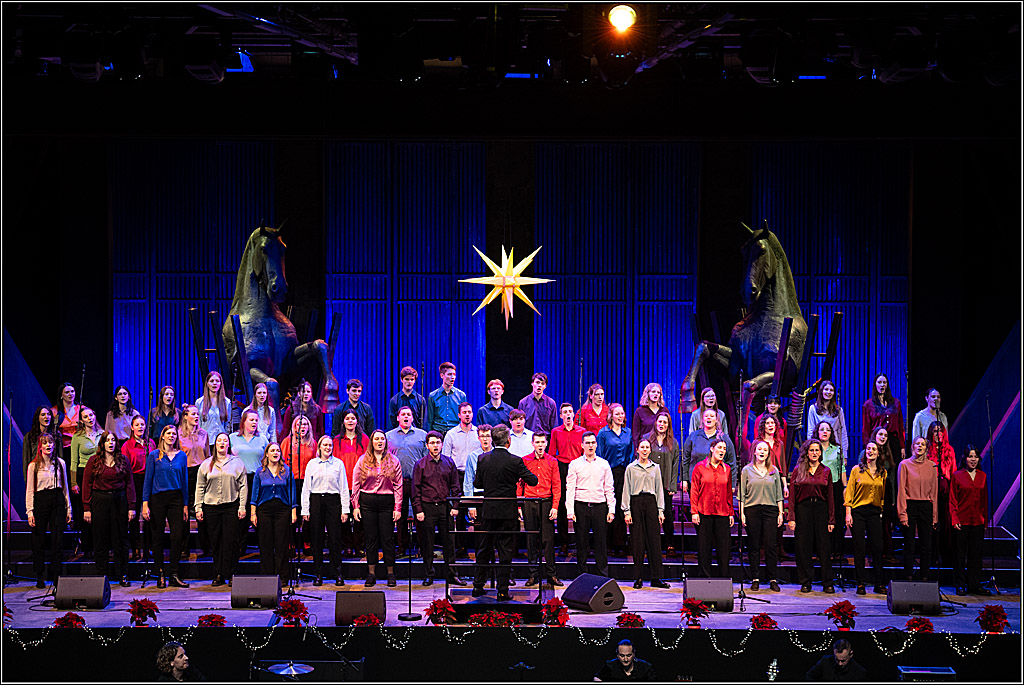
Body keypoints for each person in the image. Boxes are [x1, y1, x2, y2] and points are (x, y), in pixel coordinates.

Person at [472, 424, 538, 601]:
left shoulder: (483, 459)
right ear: (508, 441)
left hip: (488, 512)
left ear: (493, 441)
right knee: (505, 552)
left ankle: (477, 587)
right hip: (508, 514)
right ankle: (502, 591)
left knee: (484, 549)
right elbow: (533, 480)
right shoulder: (515, 461)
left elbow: (477, 484)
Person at [412, 430, 465, 586]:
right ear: (427, 445)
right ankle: (429, 574)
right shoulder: (420, 464)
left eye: (438, 443)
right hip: (427, 508)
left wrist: (455, 505)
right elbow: (416, 489)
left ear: (442, 444)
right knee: (427, 543)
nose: (435, 446)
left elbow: (455, 486)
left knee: (449, 542)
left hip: (444, 507)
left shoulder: (449, 463)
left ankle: (452, 574)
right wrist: (418, 510)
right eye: (432, 443)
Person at [194, 432, 247, 587]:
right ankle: (218, 573)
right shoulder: (206, 464)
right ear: (215, 444)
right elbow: (200, 486)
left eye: (225, 440)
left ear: (228, 444)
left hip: (231, 506)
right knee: (216, 541)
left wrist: (242, 506)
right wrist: (198, 507)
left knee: (231, 541)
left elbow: (243, 486)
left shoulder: (237, 463)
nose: (222, 443)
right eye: (219, 441)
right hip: (211, 507)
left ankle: (231, 573)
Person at [83, 431, 135, 586]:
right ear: (102, 444)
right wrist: (87, 507)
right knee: (101, 540)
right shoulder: (94, 461)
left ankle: (123, 574)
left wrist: (131, 506)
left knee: (120, 539)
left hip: (119, 501)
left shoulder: (123, 460)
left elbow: (130, 484)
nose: (111, 443)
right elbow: (87, 484)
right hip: (100, 501)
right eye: (108, 440)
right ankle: (101, 575)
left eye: (113, 440)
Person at [352, 429, 403, 587]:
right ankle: (371, 573)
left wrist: (398, 507)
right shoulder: (363, 460)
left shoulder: (394, 460)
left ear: (386, 442)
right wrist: (355, 506)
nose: (380, 441)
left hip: (386, 502)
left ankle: (390, 573)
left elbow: (398, 486)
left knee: (387, 538)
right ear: (372, 442)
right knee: (371, 538)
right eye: (376, 439)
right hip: (368, 501)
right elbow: (355, 485)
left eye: (382, 439)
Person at [142, 424, 190, 588]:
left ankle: (174, 574)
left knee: (177, 536)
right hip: (158, 498)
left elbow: (184, 481)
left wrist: (185, 504)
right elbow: (148, 480)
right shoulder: (154, 455)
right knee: (157, 537)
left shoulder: (182, 456)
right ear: (162, 436)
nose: (171, 436)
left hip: (176, 498)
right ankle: (160, 572)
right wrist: (145, 503)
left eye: (174, 434)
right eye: (168, 433)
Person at [301, 436, 350, 586]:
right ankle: (318, 574)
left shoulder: (338, 464)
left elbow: (343, 487)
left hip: (333, 501)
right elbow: (306, 488)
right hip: (316, 501)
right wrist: (305, 509)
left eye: (330, 445)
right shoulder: (312, 464)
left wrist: (345, 509)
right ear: (319, 447)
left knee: (335, 538)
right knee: (317, 539)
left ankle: (338, 574)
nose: (328, 447)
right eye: (325, 445)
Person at [789, 439, 835, 593]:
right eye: (811, 450)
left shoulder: (826, 471)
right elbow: (792, 496)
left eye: (817, 450)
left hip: (821, 509)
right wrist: (792, 517)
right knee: (803, 546)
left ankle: (827, 582)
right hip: (803, 509)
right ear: (806, 453)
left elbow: (830, 498)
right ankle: (806, 581)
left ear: (820, 453)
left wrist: (831, 518)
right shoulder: (798, 470)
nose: (814, 453)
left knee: (824, 546)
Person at [566, 431, 615, 578]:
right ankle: (582, 576)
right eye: (587, 443)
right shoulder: (575, 464)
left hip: (600, 506)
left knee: (601, 543)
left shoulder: (604, 464)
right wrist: (570, 509)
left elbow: (609, 488)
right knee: (581, 543)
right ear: (582, 445)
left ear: (596, 444)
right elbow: (570, 488)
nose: (590, 445)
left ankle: (602, 576)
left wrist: (611, 509)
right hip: (581, 506)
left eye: (593, 442)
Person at [25, 434, 72, 588]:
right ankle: (39, 574)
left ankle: (56, 575)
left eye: (50, 443)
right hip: (41, 500)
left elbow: (65, 487)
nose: (48, 446)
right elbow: (30, 490)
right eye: (44, 443)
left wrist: (68, 508)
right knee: (38, 539)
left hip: (57, 499)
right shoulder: (33, 466)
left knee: (57, 540)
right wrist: (30, 512)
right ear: (40, 446)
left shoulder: (60, 463)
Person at [622, 439, 669, 588]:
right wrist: (627, 511)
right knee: (637, 541)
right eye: (642, 447)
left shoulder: (655, 468)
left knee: (654, 541)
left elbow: (659, 489)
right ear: (637, 449)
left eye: (647, 447)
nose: (644, 449)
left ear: (650, 450)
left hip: (650, 503)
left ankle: (656, 578)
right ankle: (638, 578)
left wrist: (660, 510)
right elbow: (626, 489)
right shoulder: (631, 468)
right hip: (636, 502)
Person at [738, 439, 784, 592]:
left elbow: (779, 494)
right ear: (755, 452)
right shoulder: (746, 470)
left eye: (765, 449)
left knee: (771, 546)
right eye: (760, 449)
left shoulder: (774, 470)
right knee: (754, 546)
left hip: (770, 510)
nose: (762, 452)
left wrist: (780, 513)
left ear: (768, 453)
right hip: (752, 509)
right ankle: (755, 578)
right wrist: (742, 513)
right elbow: (741, 495)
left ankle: (772, 579)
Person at [519, 432, 562, 588]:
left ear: (546, 443)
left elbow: (557, 485)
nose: (540, 445)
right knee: (531, 540)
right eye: (537, 442)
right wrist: (519, 504)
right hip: (529, 502)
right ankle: (532, 575)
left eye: (542, 442)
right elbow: (520, 484)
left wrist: (555, 506)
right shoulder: (525, 460)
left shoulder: (552, 461)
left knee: (548, 540)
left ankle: (551, 575)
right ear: (532, 443)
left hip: (546, 502)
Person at [844, 441, 887, 595]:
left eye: (873, 449)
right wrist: (848, 513)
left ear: (878, 453)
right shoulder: (857, 470)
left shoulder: (883, 472)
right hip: (858, 512)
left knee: (877, 548)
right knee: (859, 548)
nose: (870, 451)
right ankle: (860, 583)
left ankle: (878, 583)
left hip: (874, 512)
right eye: (868, 448)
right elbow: (849, 492)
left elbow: (882, 495)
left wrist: (880, 510)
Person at [251, 443, 297, 585]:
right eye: (272, 450)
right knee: (266, 544)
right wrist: (253, 513)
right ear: (267, 454)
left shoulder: (287, 471)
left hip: (282, 509)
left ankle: (283, 577)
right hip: (264, 510)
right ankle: (267, 577)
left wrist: (293, 511)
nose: (275, 452)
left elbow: (292, 492)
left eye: (277, 450)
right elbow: (255, 493)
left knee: (281, 544)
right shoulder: (260, 472)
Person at [691, 437, 734, 578]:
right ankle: (705, 579)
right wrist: (694, 511)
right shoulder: (700, 467)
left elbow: (728, 492)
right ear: (712, 448)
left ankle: (724, 580)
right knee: (704, 549)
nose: (722, 451)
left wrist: (731, 513)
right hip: (704, 512)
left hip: (722, 513)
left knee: (723, 549)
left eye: (724, 449)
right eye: (719, 448)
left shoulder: (727, 469)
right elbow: (695, 490)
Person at [950, 445, 990, 596]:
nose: (973, 460)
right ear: (965, 458)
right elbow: (952, 500)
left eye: (975, 457)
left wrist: (985, 521)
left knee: (976, 555)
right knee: (960, 555)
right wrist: (955, 519)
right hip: (962, 521)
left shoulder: (982, 476)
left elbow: (984, 500)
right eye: (970, 456)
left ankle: (974, 585)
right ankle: (960, 584)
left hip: (977, 521)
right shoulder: (957, 475)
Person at [386, 406, 426, 556]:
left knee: (420, 515)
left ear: (412, 418)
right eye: (403, 414)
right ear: (398, 418)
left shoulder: (422, 435)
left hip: (417, 482)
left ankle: (422, 548)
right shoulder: (389, 436)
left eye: (409, 414)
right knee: (400, 517)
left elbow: (425, 459)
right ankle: (402, 548)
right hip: (397, 482)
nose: (406, 417)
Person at [897, 436, 938, 582]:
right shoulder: (904, 465)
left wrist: (934, 516)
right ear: (912, 447)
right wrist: (902, 513)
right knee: (909, 544)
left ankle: (925, 577)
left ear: (927, 448)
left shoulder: (932, 466)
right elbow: (901, 490)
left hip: (926, 506)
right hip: (910, 505)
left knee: (926, 545)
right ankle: (908, 576)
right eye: (917, 444)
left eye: (922, 444)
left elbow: (934, 492)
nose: (919, 446)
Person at [231, 409, 270, 557]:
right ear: (244, 421)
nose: (254, 422)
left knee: (258, 513)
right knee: (241, 513)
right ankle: (240, 546)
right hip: (238, 480)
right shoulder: (233, 437)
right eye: (251, 420)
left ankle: (263, 547)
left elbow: (268, 457)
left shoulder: (262, 439)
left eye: (256, 420)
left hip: (256, 478)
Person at [597, 403, 632, 556]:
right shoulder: (603, 433)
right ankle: (608, 544)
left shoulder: (628, 432)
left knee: (620, 508)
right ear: (611, 415)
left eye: (622, 413)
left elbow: (631, 453)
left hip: (623, 473)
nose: (620, 416)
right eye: (617, 414)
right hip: (607, 472)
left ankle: (620, 543)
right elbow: (599, 454)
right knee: (608, 507)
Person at [443, 402, 478, 555]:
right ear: (459, 415)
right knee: (459, 510)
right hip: (457, 474)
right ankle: (461, 547)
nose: (467, 414)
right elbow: (446, 457)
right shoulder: (451, 434)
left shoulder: (478, 433)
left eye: (469, 412)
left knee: (476, 510)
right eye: (464, 412)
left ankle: (479, 548)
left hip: (475, 476)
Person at [551, 402, 586, 554]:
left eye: (570, 411)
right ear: (561, 416)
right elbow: (552, 453)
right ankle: (564, 542)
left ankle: (581, 542)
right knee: (564, 505)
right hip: (562, 467)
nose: (568, 414)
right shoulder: (556, 431)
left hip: (579, 467)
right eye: (565, 412)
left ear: (574, 415)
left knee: (579, 503)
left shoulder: (582, 431)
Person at [333, 408, 368, 556]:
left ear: (357, 421)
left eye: (353, 418)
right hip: (342, 484)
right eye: (347, 418)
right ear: (343, 421)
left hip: (361, 485)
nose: (350, 421)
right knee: (344, 517)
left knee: (360, 517)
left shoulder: (365, 440)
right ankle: (347, 545)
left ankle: (359, 545)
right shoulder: (336, 441)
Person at [645, 412, 680, 556]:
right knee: (650, 516)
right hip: (649, 486)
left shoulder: (673, 442)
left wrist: (672, 485)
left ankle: (669, 544)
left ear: (668, 425)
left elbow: (675, 464)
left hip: (665, 485)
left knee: (667, 516)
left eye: (665, 422)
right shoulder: (647, 439)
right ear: (655, 422)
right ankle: (650, 545)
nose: (662, 424)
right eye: (660, 421)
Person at [178, 405, 210, 558]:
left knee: (202, 508)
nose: (196, 416)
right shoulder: (178, 434)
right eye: (193, 414)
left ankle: (206, 546)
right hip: (186, 472)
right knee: (184, 509)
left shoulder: (204, 434)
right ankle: (184, 547)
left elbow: (208, 455)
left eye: (198, 414)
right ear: (185, 416)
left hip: (201, 472)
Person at [69, 405, 102, 556]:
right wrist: (74, 482)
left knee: (99, 511)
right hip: (83, 473)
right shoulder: (77, 437)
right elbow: (74, 461)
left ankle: (100, 546)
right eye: (86, 417)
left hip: (100, 473)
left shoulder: (102, 434)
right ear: (81, 420)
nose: (90, 418)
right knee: (85, 510)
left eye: (91, 415)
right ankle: (87, 546)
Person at [682, 408, 738, 494]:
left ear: (716, 420)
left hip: (718, 482)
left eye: (712, 416)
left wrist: (732, 483)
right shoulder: (693, 436)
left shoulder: (724, 438)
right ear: (702, 420)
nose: (709, 418)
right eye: (706, 416)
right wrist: (684, 479)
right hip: (696, 482)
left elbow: (731, 461)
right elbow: (685, 459)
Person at [864, 425, 899, 564]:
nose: (883, 437)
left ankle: (887, 553)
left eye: (885, 435)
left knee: (886, 524)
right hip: (872, 493)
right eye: (880, 434)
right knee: (874, 525)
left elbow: (892, 479)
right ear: (875, 436)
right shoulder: (868, 452)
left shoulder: (889, 454)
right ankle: (874, 553)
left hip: (886, 492)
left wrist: (893, 497)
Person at [121, 415, 153, 561]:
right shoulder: (127, 446)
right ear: (132, 427)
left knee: (149, 515)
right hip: (134, 480)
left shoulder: (150, 443)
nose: (140, 427)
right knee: (133, 516)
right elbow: (124, 467)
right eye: (137, 425)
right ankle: (135, 548)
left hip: (149, 480)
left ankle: (147, 548)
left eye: (142, 424)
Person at [814, 420, 847, 561]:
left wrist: (845, 488)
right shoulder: (813, 449)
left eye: (828, 429)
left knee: (836, 518)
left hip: (835, 486)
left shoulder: (837, 449)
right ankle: (820, 551)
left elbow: (842, 470)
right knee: (820, 519)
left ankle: (837, 550)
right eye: (822, 429)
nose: (825, 432)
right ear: (817, 432)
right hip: (818, 488)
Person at [926, 420, 957, 565]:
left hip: (945, 489)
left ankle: (946, 558)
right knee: (931, 525)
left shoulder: (949, 449)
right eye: (935, 431)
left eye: (940, 431)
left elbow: (954, 472)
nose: (938, 434)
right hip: (930, 490)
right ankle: (930, 558)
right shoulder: (926, 449)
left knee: (945, 525)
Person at [861, 372, 906, 459]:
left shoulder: (896, 403)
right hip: (877, 442)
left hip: (893, 442)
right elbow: (865, 429)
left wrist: (902, 446)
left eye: (884, 382)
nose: (882, 385)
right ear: (875, 385)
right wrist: (867, 446)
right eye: (879, 382)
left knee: (893, 468)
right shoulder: (868, 405)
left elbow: (900, 427)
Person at [807, 381, 849, 459]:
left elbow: (842, 432)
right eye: (826, 389)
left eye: (831, 390)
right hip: (818, 449)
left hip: (835, 448)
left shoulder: (839, 410)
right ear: (821, 391)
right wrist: (811, 450)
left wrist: (844, 455)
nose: (828, 392)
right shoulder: (813, 409)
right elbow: (810, 431)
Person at [426, 362, 467, 434]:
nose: (452, 377)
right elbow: (430, 420)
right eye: (449, 374)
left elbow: (463, 418)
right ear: (442, 375)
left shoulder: (461, 396)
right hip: (438, 432)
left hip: (455, 433)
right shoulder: (433, 396)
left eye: (454, 374)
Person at [23, 404, 61, 478]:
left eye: (48, 414)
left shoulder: (56, 435)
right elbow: (26, 460)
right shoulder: (29, 436)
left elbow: (60, 457)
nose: (46, 417)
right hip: (36, 474)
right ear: (38, 418)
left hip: (52, 474)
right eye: (43, 415)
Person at [195, 372, 231, 447]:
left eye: (217, 381)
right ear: (207, 384)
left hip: (221, 443)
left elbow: (228, 425)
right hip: (205, 442)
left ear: (221, 383)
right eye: (211, 381)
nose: (214, 383)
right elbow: (197, 424)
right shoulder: (199, 402)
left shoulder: (226, 402)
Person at [631, 383, 665, 451]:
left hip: (662, 448)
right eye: (653, 392)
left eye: (658, 392)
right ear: (647, 394)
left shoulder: (664, 411)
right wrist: (636, 452)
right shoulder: (640, 411)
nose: (656, 394)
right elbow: (635, 435)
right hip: (645, 449)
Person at [53, 382, 80, 450]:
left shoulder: (81, 409)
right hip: (61, 448)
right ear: (61, 396)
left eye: (72, 391)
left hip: (79, 447)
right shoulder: (54, 411)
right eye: (67, 392)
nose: (70, 394)